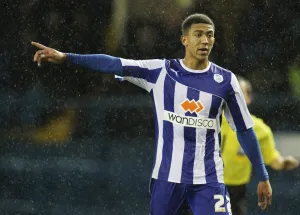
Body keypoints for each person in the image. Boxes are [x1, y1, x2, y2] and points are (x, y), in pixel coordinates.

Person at [31, 13, 272, 215]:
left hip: (209, 180)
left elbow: (245, 130)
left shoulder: (226, 80)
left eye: (209, 35)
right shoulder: (161, 71)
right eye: (198, 34)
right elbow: (115, 63)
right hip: (167, 180)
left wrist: (262, 175)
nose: (204, 40)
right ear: (184, 40)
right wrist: (66, 57)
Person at [221, 75, 299, 215]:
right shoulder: (210, 121)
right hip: (205, 184)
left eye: (239, 93)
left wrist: (283, 163)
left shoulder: (260, 130)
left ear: (249, 97)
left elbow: (272, 157)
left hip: (236, 189)